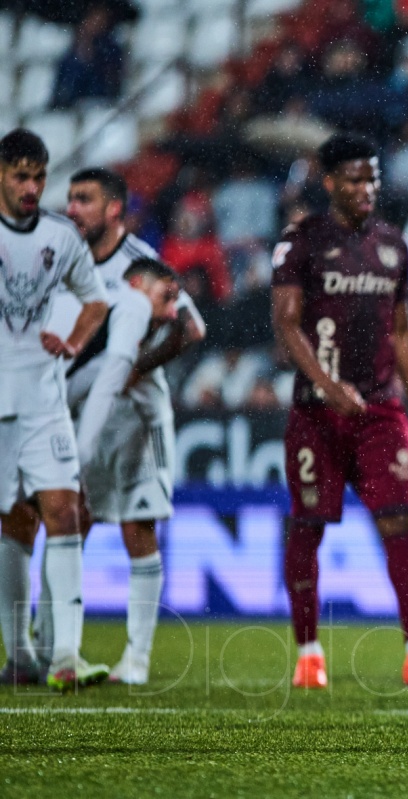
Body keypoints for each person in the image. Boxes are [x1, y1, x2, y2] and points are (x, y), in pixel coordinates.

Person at [271, 133, 408, 690]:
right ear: (329, 181)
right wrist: (329, 386)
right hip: (317, 412)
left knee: (398, 522)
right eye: (354, 178)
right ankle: (308, 654)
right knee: (308, 525)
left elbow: (402, 333)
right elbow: (286, 323)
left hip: (381, 410)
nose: (366, 188)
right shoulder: (301, 242)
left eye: (372, 179)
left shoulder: (392, 244)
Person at [10, 168, 208, 686]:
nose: (72, 208)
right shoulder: (63, 259)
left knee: (137, 528)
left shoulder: (140, 263)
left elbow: (192, 327)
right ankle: (50, 641)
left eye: (85, 199)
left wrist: (138, 368)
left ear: (114, 208)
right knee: (68, 519)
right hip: (80, 410)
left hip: (137, 418)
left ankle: (136, 659)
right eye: (71, 199)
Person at [0, 129, 109, 691]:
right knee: (13, 522)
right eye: (20, 176)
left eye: (39, 177)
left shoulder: (60, 237)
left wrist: (73, 342)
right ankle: (19, 656)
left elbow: (96, 301)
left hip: (44, 400)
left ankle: (66, 655)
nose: (31, 187)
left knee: (64, 512)